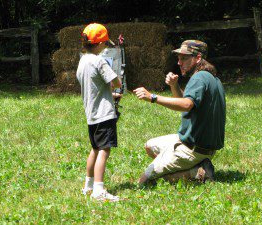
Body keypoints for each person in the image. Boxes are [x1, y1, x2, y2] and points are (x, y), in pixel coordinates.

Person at [133, 40, 226, 185]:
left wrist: (153, 97)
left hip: (192, 149)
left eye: (184, 58)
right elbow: (188, 102)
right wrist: (174, 85)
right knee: (149, 146)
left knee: (143, 182)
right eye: (178, 58)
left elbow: (187, 105)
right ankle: (193, 166)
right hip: (200, 145)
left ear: (198, 58)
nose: (179, 62)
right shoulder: (211, 78)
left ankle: (196, 173)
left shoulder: (199, 78)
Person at [76, 23, 122, 201]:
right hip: (104, 114)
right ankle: (99, 190)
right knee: (104, 150)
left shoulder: (83, 61)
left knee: (95, 148)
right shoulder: (99, 60)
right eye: (105, 44)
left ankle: (88, 186)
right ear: (100, 43)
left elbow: (94, 86)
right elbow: (116, 81)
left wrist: (109, 93)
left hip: (91, 114)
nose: (105, 47)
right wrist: (115, 85)